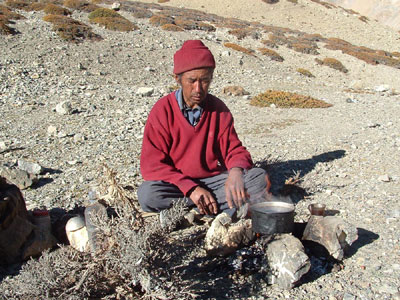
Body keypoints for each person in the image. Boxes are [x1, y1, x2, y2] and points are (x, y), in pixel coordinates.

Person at [138, 40, 268, 217]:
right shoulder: (162, 111)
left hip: (211, 181)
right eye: (192, 81)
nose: (198, 89)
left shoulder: (218, 109)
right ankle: (213, 206)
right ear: (178, 79)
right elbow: (152, 166)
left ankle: (189, 210)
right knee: (148, 194)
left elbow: (234, 150)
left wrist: (236, 172)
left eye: (205, 81)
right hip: (177, 184)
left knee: (258, 178)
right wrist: (191, 188)